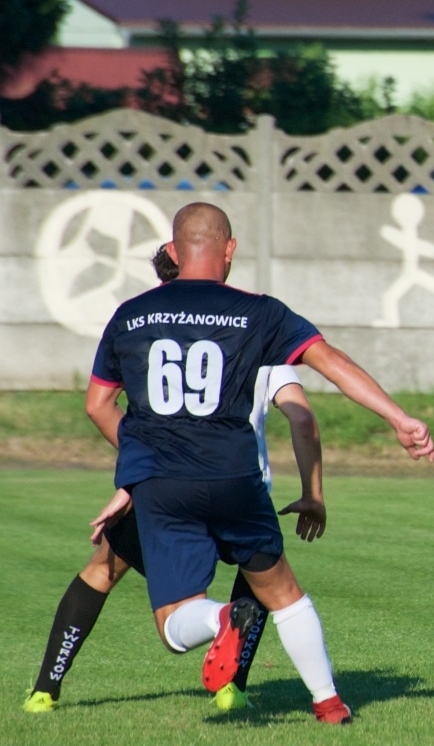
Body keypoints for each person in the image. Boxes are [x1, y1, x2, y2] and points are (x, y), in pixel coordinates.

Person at [80, 202, 434, 724]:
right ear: (230, 250)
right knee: (284, 593)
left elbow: (97, 404)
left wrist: (142, 461)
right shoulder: (260, 311)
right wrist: (399, 418)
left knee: (174, 624)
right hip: (235, 476)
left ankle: (223, 616)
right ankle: (329, 704)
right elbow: (331, 362)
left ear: (174, 253)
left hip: (162, 484)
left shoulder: (131, 315)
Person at [24, 246, 328, 715]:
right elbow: (302, 420)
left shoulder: (147, 330)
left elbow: (130, 417)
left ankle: (46, 687)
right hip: (241, 487)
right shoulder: (254, 334)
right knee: (263, 582)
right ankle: (235, 688)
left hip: (166, 488)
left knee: (103, 569)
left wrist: (132, 481)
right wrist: (313, 493)